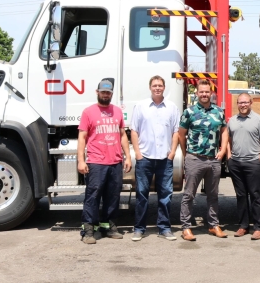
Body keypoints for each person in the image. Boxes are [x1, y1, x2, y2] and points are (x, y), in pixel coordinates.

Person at [77, 77, 133, 244]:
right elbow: (82, 137)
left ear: (111, 94)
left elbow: (122, 134)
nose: (105, 95)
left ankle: (108, 227)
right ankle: (88, 230)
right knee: (93, 196)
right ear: (97, 92)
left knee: (113, 196)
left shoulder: (117, 111)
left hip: (115, 162)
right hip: (96, 161)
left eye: (108, 92)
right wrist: (81, 160)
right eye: (103, 92)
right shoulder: (88, 112)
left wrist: (127, 156)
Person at [129, 75, 180, 242]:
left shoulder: (172, 107)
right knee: (142, 194)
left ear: (164, 88)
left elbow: (175, 132)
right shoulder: (141, 106)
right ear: (150, 87)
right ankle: (139, 229)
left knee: (165, 195)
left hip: (165, 159)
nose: (157, 88)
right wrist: (137, 153)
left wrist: (172, 152)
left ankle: (164, 228)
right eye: (154, 85)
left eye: (160, 85)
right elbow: (134, 131)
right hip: (145, 158)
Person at [178, 79, 229, 241]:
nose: (204, 94)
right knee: (189, 195)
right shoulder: (189, 112)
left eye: (207, 92)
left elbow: (224, 131)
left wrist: (223, 150)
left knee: (213, 195)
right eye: (201, 92)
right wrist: (187, 154)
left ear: (211, 93)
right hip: (195, 158)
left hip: (213, 159)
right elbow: (181, 134)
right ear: (197, 93)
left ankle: (213, 225)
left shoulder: (219, 111)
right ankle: (186, 227)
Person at [226, 93, 260, 240]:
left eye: (246, 102)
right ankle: (243, 226)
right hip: (236, 163)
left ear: (251, 102)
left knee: (256, 196)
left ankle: (258, 228)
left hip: (253, 163)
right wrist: (229, 157)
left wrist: (259, 161)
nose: (243, 105)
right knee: (241, 196)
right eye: (240, 102)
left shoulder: (259, 120)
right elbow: (227, 140)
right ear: (237, 104)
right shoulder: (232, 121)